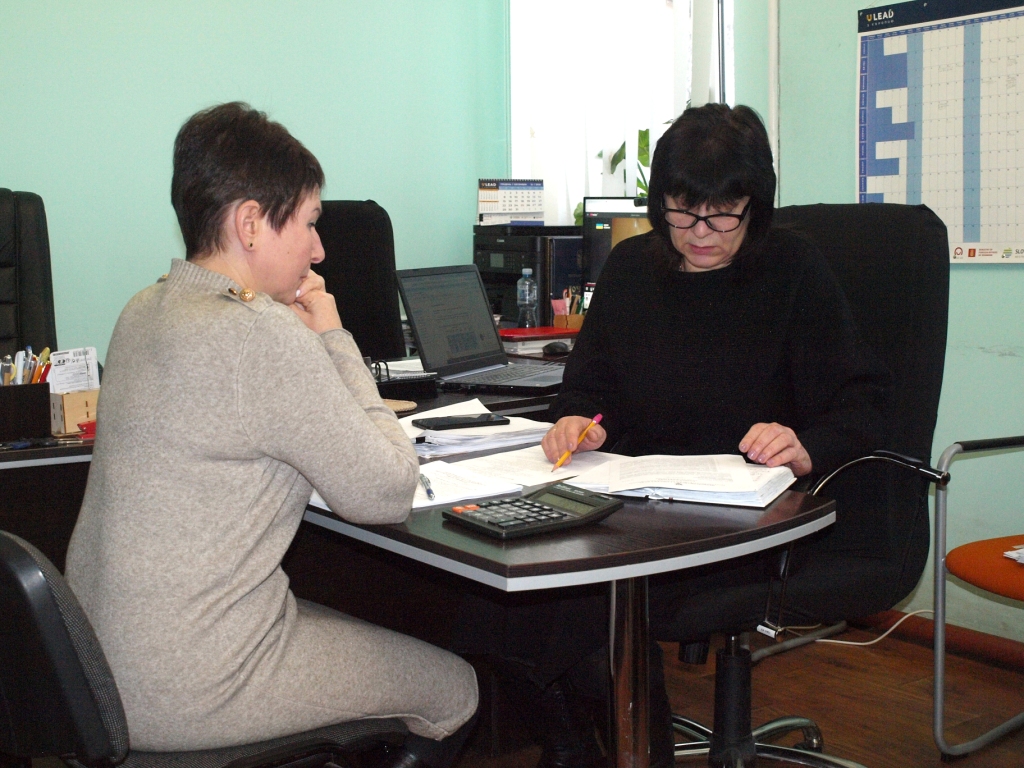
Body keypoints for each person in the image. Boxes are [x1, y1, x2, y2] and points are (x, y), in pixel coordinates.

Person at [454, 103, 891, 768]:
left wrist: (806, 445)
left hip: (750, 519)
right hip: (631, 505)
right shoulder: (632, 269)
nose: (700, 233)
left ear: (755, 205)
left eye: (723, 214)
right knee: (499, 583)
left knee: (584, 599)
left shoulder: (794, 271)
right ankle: (574, 743)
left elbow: (865, 401)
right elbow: (586, 390)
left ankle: (617, 751)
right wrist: (578, 423)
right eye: (683, 212)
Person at [65, 103, 477, 767]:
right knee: (454, 686)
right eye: (309, 223)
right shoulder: (260, 334)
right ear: (251, 223)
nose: (319, 250)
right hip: (192, 684)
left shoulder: (142, 309)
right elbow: (386, 491)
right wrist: (333, 336)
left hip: (92, 669)